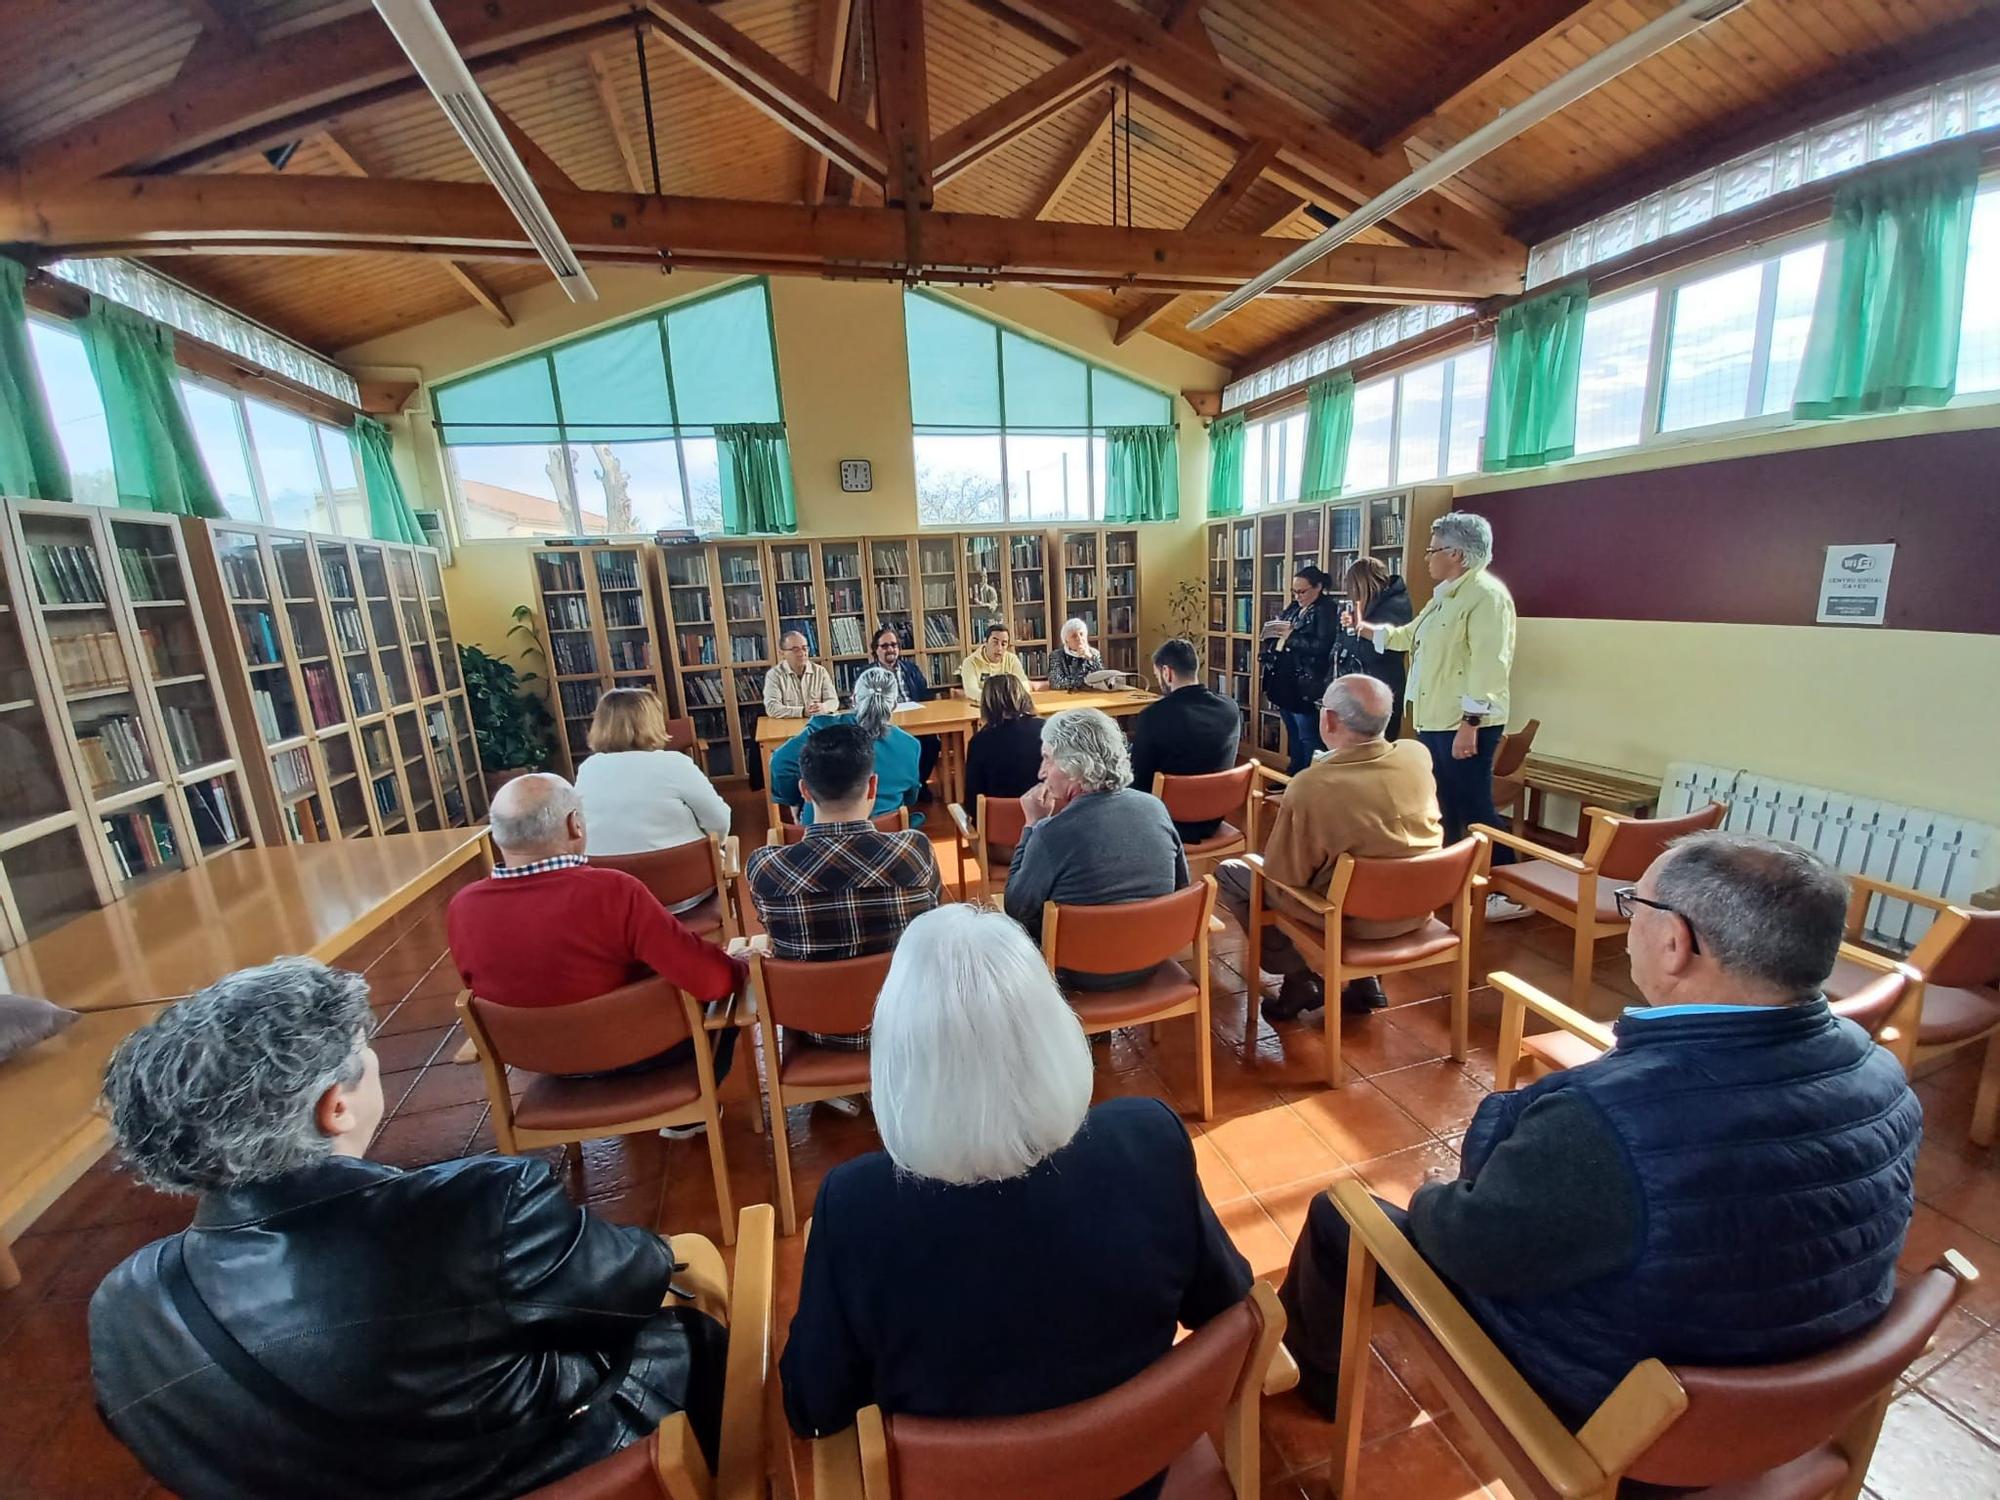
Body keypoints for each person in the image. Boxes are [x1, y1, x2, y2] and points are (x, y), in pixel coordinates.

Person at [1277, 833, 1923, 1427]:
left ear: (1676, 943)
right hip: (1806, 1400)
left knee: (1342, 1216)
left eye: (1633, 904)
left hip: (1635, 1417)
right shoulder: (1885, 1075)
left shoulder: (1604, 1124)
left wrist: (1432, 1195)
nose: (1629, 921)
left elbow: (1469, 1246)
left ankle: (1308, 1382)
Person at [89, 958, 728, 1500]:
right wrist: (668, 1255)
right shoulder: (483, 1207)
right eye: (362, 1049)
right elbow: (630, 1287)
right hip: (573, 1470)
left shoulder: (122, 1306)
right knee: (697, 1321)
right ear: (335, 1107)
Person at [780, 904, 1252, 1500]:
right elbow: (1227, 1303)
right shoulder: (1148, 1138)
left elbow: (814, 1406)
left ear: (898, 1058)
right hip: (1136, 1475)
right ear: (1053, 1026)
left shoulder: (856, 1208)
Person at [446, 773, 742, 1084]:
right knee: (728, 999)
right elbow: (712, 981)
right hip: (641, 1055)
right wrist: (741, 968)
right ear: (574, 824)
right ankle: (687, 1115)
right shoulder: (613, 891)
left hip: (540, 1061)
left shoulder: (462, 907)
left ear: (498, 836)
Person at [1216, 676, 1441, 1023]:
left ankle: (1298, 979)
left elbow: (1281, 875)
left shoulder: (1312, 785)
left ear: (1329, 720)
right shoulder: (1416, 755)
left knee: (1233, 873)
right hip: (1418, 907)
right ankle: (1366, 979)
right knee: (1370, 860)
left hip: (1349, 923)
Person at [1350, 513, 1521, 915]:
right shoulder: (1446, 593)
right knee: (1443, 803)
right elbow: (1407, 636)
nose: (1427, 559)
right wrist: (1365, 629)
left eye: (1433, 550)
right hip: (1434, 718)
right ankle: (1448, 880)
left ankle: (1505, 888)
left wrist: (1470, 723)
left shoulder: (1486, 596)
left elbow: (1489, 666)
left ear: (1456, 554)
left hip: (1465, 724)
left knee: (1475, 805)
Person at [744, 723, 942, 1050]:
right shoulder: (914, 853)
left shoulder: (767, 869)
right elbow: (929, 923)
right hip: (904, 1026)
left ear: (804, 791)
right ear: (873, 786)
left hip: (813, 1031)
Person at [1003, 707, 1189, 991]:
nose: (1041, 771)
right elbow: (1181, 886)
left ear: (1074, 766)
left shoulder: (1050, 834)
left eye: (1047, 759)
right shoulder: (1155, 807)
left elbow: (1015, 908)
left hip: (1077, 976)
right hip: (1149, 959)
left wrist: (1031, 825)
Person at [573, 688, 731, 915]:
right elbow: (720, 822)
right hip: (683, 893)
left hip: (616, 900)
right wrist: (715, 845)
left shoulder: (589, 768)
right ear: (652, 722)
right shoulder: (675, 764)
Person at [769, 666, 922, 826]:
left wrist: (799, 797)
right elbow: (911, 797)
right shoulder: (910, 745)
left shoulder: (823, 728)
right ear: (894, 705)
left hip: (819, 835)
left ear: (854, 698)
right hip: (885, 838)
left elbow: (780, 764)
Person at [1128, 636, 1242, 842]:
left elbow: (1139, 782)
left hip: (1166, 821)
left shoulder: (1153, 716)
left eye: (1157, 674)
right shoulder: (1230, 708)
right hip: (1214, 815)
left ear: (1166, 672)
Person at [1262, 564, 1338, 774]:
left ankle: (1308, 782)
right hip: (1286, 680)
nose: (1297, 596)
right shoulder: (1296, 607)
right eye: (1294, 592)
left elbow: (1323, 647)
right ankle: (1293, 776)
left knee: (1308, 737)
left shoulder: (1326, 610)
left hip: (1307, 684)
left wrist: (1292, 637)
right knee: (1293, 734)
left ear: (1318, 587)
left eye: (1302, 591)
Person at [1335, 558, 1413, 738]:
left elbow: (1372, 653)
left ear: (1361, 584)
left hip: (1380, 690)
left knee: (1374, 748)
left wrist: (1352, 632)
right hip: (1361, 688)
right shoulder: (1367, 604)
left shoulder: (1394, 606)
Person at [961, 672, 1043, 817]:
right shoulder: (1047, 730)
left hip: (997, 828)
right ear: (1023, 696)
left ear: (986, 704)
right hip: (1042, 821)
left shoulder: (979, 741)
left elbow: (972, 801)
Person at [872, 625, 940, 792]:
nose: (890, 649)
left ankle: (919, 783)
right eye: (885, 646)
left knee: (932, 742)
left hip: (916, 721)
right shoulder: (868, 674)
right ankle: (899, 787)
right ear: (876, 650)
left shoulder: (911, 670)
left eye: (894, 645)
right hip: (885, 725)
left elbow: (925, 697)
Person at [764, 630, 839, 719]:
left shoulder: (820, 671)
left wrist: (824, 707)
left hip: (817, 725)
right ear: (782, 653)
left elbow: (833, 701)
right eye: (795, 650)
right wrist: (802, 712)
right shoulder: (774, 675)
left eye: (805, 648)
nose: (802, 653)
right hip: (789, 727)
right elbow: (772, 708)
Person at [958, 621, 1031, 701]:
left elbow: (1024, 685)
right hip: (983, 707)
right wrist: (997, 700)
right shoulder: (970, 662)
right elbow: (971, 691)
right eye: (995, 643)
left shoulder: (1012, 659)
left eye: (1003, 644)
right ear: (985, 642)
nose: (999, 648)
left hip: (1008, 706)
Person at [1046, 616, 1103, 691]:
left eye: (1081, 634)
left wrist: (1090, 658)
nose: (1079, 639)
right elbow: (1056, 683)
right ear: (1066, 641)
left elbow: (1102, 678)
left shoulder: (1094, 654)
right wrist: (1085, 682)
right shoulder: (1056, 656)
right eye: (1074, 636)